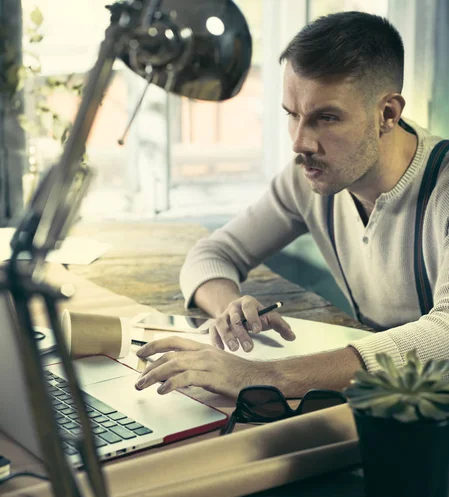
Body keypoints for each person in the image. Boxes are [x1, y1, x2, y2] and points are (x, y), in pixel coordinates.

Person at [134, 11, 449, 400]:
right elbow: (214, 253)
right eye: (292, 115)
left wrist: (262, 375)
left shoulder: (442, 189)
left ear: (387, 114)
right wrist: (230, 311)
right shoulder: (310, 175)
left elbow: (445, 335)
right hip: (378, 403)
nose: (300, 142)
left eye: (326, 118)